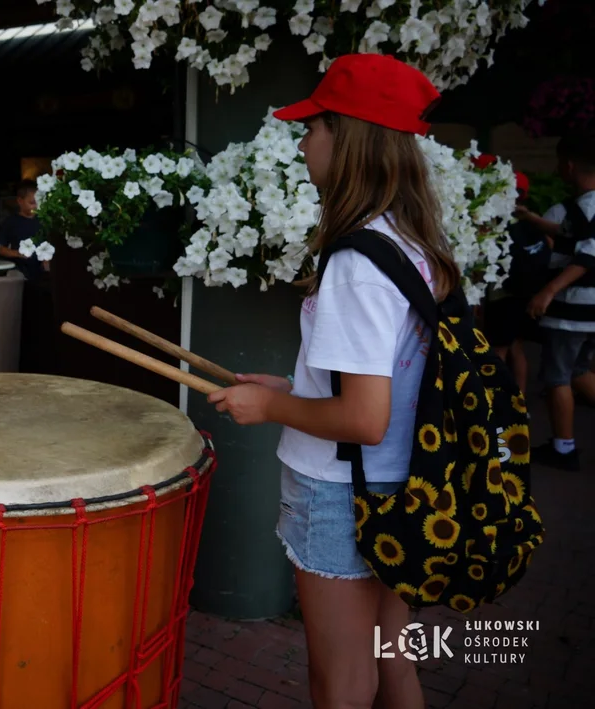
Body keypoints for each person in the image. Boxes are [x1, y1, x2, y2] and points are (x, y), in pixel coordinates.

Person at [208, 54, 454, 709]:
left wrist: (274, 406)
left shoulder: (354, 261)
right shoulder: (409, 239)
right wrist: (293, 384)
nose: (302, 140)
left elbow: (363, 416)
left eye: (313, 125)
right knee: (394, 664)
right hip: (405, 482)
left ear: (347, 138)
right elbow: (389, 378)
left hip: (342, 498)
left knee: (341, 681)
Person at [525, 130, 595, 471]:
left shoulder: (581, 207)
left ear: (568, 166)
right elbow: (569, 235)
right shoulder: (582, 209)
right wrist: (531, 219)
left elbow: (588, 255)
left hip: (572, 310)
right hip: (590, 311)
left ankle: (563, 448)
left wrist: (548, 290)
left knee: (558, 377)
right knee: (579, 370)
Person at [483, 169, 550, 396]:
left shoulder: (496, 222)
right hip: (528, 294)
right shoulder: (533, 221)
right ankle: (519, 404)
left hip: (504, 296)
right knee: (517, 348)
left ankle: (498, 404)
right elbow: (549, 245)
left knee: (498, 351)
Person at [0, 180, 47, 280]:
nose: (36, 206)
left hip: (42, 270)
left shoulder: (44, 221)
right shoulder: (11, 222)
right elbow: (0, 249)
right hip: (19, 269)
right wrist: (17, 254)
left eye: (38, 202)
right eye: (32, 203)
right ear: (20, 201)